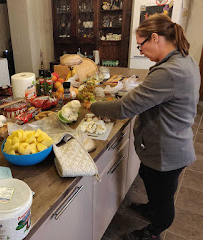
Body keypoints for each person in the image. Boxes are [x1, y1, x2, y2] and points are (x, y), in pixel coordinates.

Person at [88, 14, 201, 240]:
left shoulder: (169, 71)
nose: (140, 51)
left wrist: (92, 106)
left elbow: (123, 109)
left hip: (168, 149)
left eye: (141, 45)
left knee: (164, 197)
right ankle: (152, 208)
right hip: (168, 140)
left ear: (156, 38)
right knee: (147, 175)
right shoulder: (181, 59)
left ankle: (154, 230)